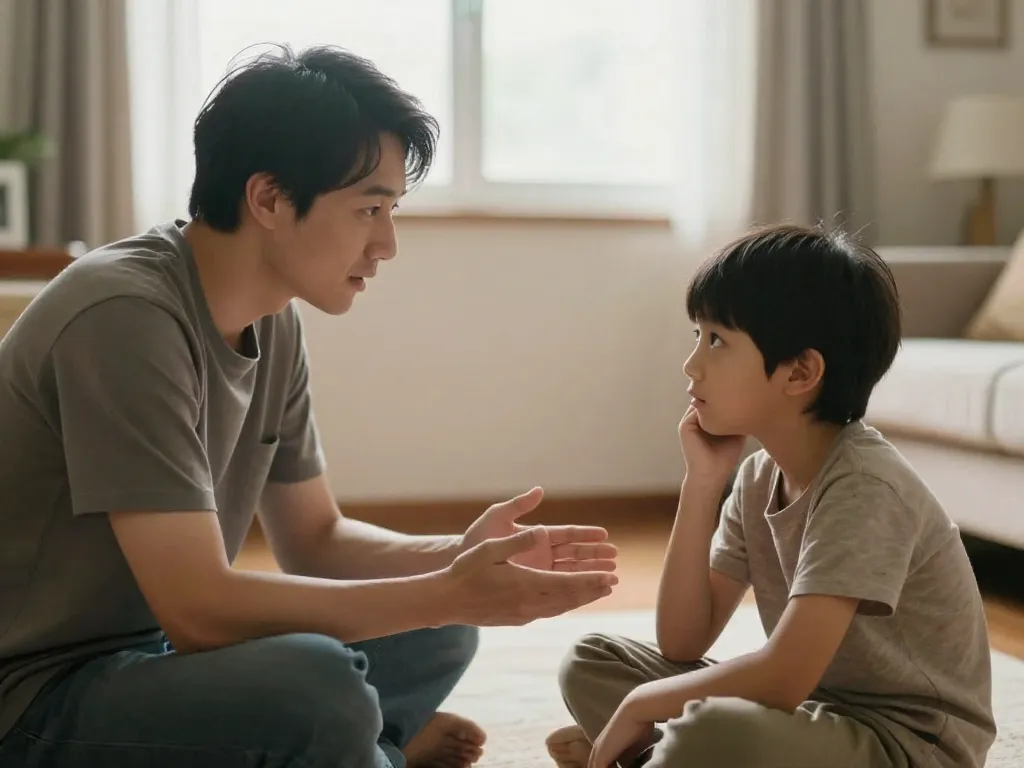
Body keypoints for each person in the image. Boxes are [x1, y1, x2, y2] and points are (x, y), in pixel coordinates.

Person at [0, 45, 620, 768]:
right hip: (35, 695)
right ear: (267, 199)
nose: (386, 243)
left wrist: (461, 560)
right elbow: (199, 610)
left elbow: (317, 540)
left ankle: (354, 743)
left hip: (153, 657)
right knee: (319, 687)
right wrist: (446, 591)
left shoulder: (273, 318)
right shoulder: (123, 315)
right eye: (369, 208)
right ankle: (361, 742)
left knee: (439, 631)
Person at [546, 224, 997, 768]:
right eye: (698, 336)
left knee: (705, 732)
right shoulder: (760, 476)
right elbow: (682, 641)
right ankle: (658, 755)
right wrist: (703, 483)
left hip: (906, 745)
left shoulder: (866, 488)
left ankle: (653, 754)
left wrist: (644, 704)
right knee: (593, 661)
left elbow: (783, 678)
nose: (692, 364)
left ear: (800, 371)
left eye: (717, 340)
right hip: (813, 716)